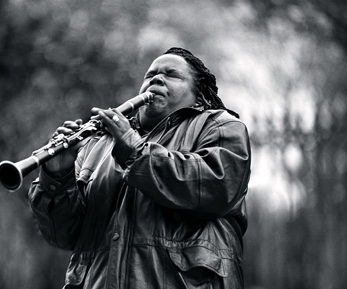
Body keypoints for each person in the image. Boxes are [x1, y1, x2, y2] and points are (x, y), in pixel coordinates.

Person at [28, 47, 251, 289]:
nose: (156, 78)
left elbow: (217, 187)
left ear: (199, 97)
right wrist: (57, 177)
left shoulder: (220, 126)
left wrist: (134, 151)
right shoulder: (95, 146)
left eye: (172, 74)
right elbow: (62, 235)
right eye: (150, 74)